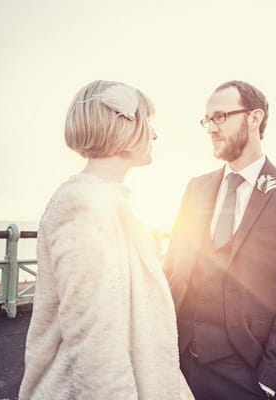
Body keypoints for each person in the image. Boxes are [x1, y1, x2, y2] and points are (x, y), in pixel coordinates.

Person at [19, 80, 193, 400]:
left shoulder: (105, 201)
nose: (154, 135)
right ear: (123, 127)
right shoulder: (84, 206)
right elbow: (94, 342)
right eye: (147, 123)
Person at [164, 80, 276, 400]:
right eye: (208, 119)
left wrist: (269, 378)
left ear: (254, 117)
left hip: (245, 374)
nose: (211, 127)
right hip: (181, 369)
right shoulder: (196, 188)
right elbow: (172, 270)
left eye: (221, 116)